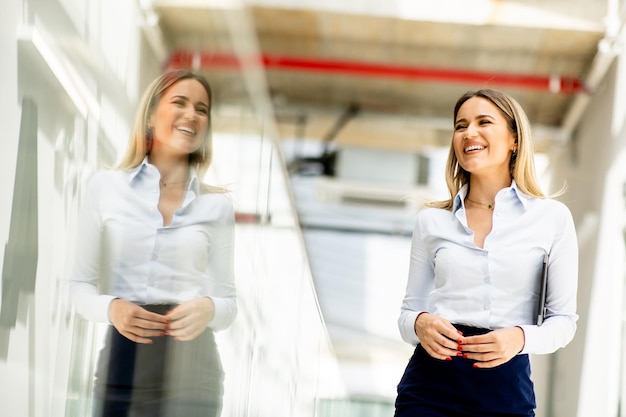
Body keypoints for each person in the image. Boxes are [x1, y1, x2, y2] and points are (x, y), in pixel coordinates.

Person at [394, 88, 578, 417]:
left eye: (483, 122)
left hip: (505, 389)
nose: (469, 133)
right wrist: (420, 323)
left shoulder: (551, 219)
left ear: (514, 140)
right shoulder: (431, 221)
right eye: (460, 125)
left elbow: (563, 322)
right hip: (429, 387)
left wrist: (519, 338)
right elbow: (409, 313)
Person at [69, 69, 236, 417]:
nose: (192, 114)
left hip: (194, 366)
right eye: (180, 102)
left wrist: (209, 308)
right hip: (124, 358)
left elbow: (228, 303)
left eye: (202, 109)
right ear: (150, 116)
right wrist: (112, 308)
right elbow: (78, 287)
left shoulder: (216, 205)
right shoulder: (105, 188)